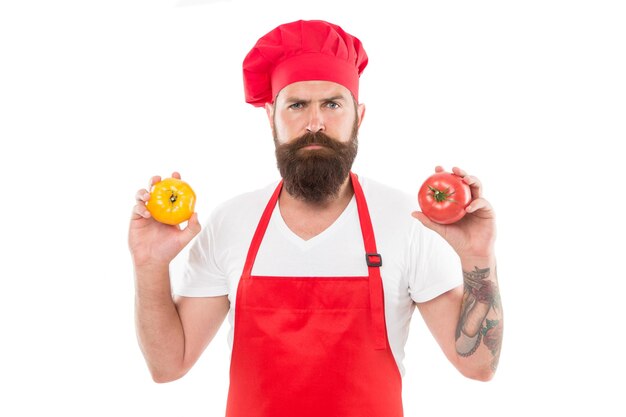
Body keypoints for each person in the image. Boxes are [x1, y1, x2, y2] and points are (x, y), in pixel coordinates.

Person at [129, 19, 502, 417]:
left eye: (332, 104)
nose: (314, 123)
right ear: (271, 115)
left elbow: (478, 366)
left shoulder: (405, 222)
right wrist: (149, 266)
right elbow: (168, 366)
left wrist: (477, 256)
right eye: (297, 105)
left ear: (358, 116)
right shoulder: (231, 222)